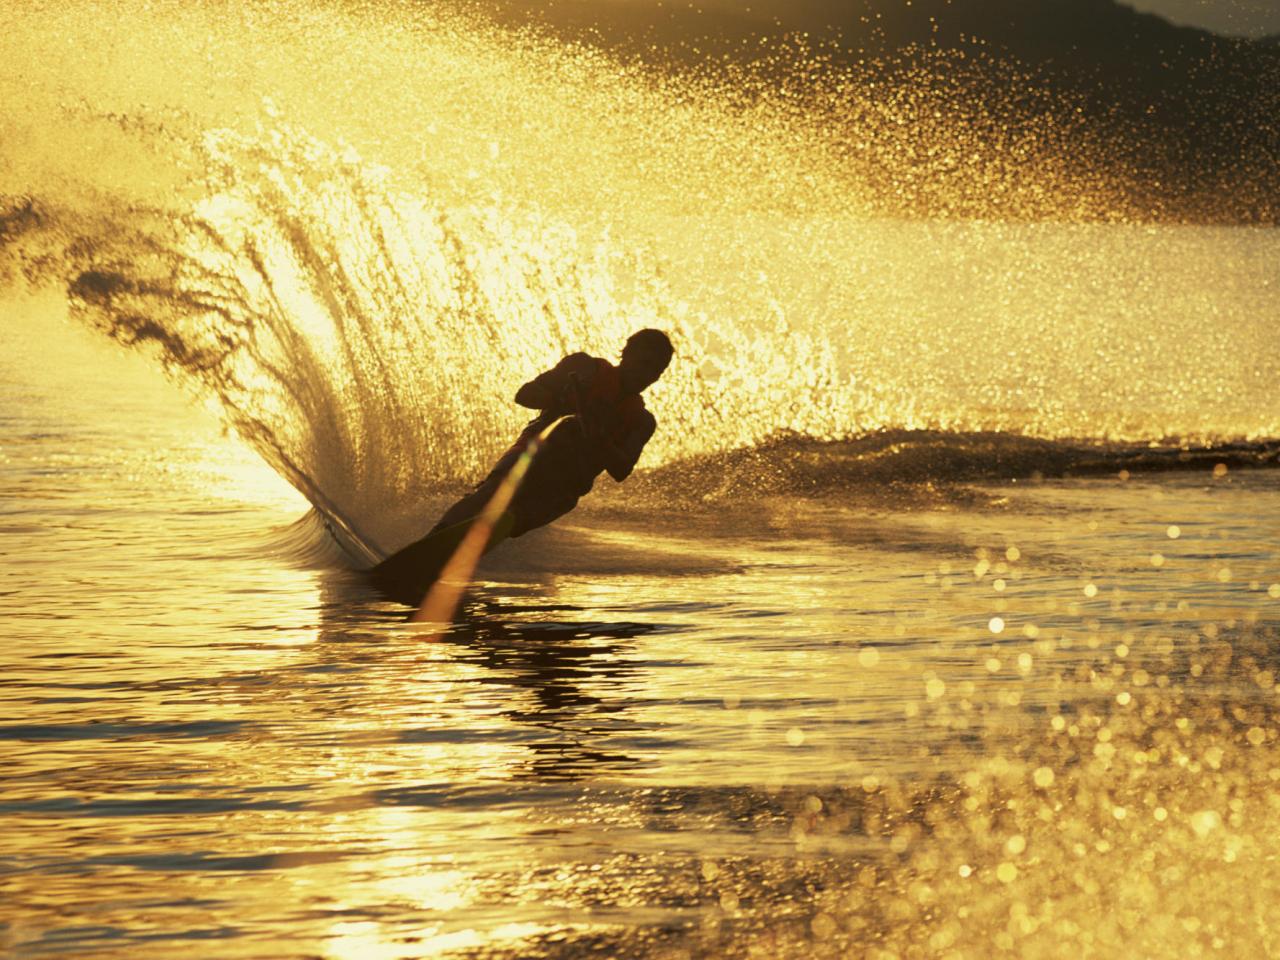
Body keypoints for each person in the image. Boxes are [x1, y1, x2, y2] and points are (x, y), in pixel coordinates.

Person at [430, 329, 674, 538]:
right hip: (532, 454)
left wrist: (600, 437)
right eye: (644, 363)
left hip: (564, 487)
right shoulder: (584, 368)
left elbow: (621, 470)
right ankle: (435, 538)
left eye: (657, 370)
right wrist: (565, 399)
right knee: (490, 495)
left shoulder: (641, 421)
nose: (648, 374)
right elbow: (525, 395)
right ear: (627, 353)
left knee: (511, 520)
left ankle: (459, 554)